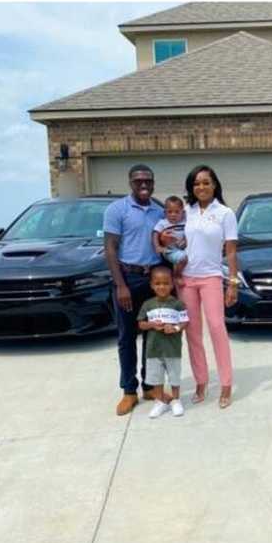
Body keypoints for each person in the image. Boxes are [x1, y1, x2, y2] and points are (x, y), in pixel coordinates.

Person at [103, 164, 165, 415]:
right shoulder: (116, 210)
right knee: (127, 337)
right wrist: (120, 285)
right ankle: (129, 391)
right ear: (130, 183)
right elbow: (110, 248)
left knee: (153, 335)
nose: (144, 185)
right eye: (138, 181)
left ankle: (149, 386)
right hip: (128, 278)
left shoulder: (159, 211)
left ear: (153, 183)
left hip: (154, 280)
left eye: (148, 180)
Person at [178, 165, 239, 409]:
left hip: (211, 277)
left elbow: (231, 251)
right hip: (186, 279)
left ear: (215, 185)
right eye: (196, 183)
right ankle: (201, 381)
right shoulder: (186, 212)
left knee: (216, 328)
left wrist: (232, 283)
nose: (201, 187)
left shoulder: (225, 213)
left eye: (206, 182)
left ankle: (226, 383)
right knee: (192, 333)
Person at [137, 266, 189, 418]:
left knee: (174, 376)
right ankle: (160, 402)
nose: (162, 287)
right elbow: (141, 324)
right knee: (156, 377)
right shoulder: (148, 304)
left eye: (166, 283)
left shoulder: (178, 304)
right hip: (153, 349)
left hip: (172, 349)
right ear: (152, 285)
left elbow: (185, 322)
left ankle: (176, 400)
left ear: (172, 284)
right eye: (158, 283)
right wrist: (152, 325)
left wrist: (175, 328)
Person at [153, 195, 188, 276]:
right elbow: (155, 233)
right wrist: (157, 247)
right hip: (169, 250)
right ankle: (177, 275)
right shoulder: (163, 223)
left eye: (177, 212)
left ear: (183, 212)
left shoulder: (185, 222)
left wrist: (185, 240)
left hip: (183, 248)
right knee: (183, 259)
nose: (173, 215)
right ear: (165, 213)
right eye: (170, 212)